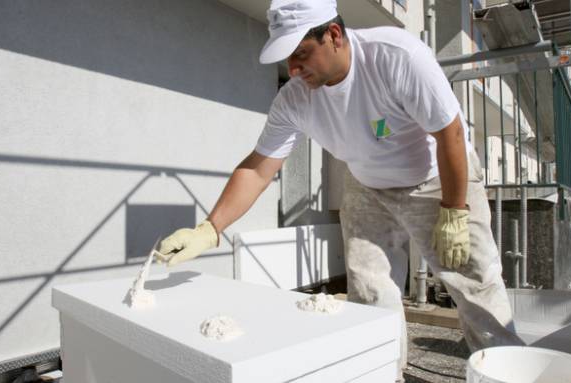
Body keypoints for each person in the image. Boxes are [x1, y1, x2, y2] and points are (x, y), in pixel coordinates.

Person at [156, 0, 524, 378]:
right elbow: (258, 169)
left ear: (333, 35)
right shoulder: (295, 99)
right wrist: (210, 228)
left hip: (437, 179)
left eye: (300, 54)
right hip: (368, 186)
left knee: (475, 287)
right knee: (369, 292)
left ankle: (507, 373)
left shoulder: (396, 56)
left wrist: (454, 209)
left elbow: (451, 134)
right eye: (287, 59)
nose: (293, 69)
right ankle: (379, 373)